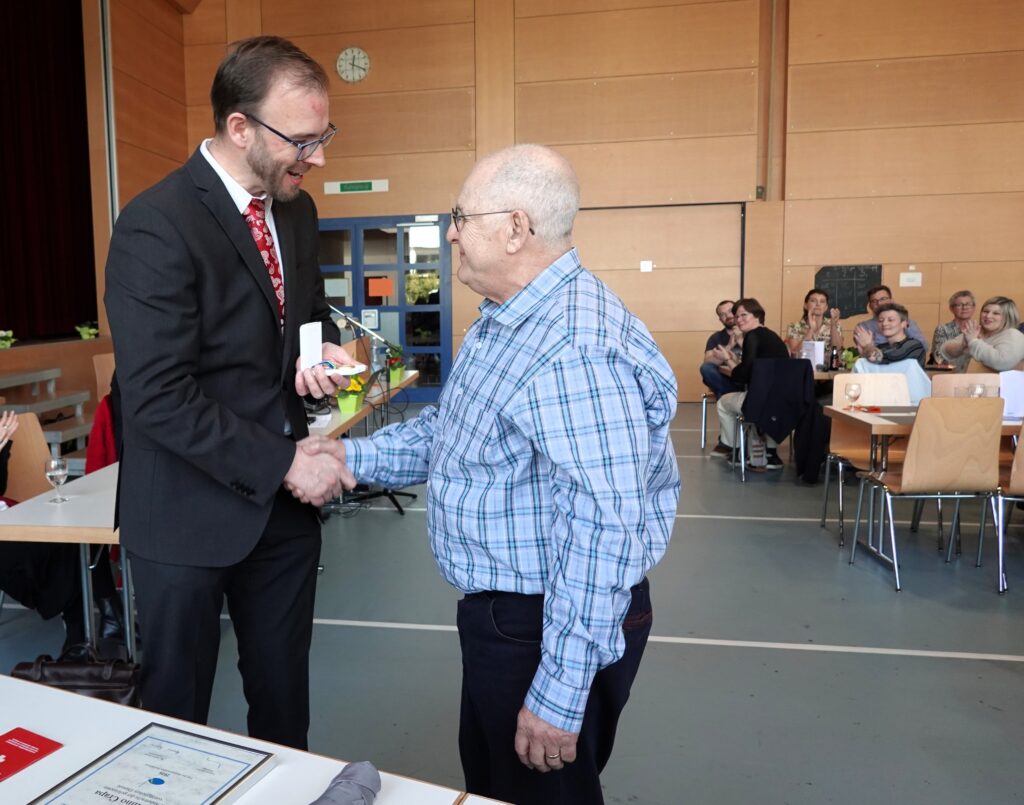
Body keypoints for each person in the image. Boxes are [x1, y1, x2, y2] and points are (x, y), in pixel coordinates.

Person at [340, 145, 679, 805]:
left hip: (544, 622)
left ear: (517, 228)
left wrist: (558, 688)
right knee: (496, 782)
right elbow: (453, 433)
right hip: (508, 619)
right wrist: (349, 459)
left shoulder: (573, 345)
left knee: (538, 793)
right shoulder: (507, 320)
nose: (452, 232)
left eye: (462, 215)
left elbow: (602, 529)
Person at [104, 36, 357, 749]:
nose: (319, 157)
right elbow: (155, 396)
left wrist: (319, 351)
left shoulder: (298, 212)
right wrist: (285, 462)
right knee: (177, 722)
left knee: (284, 709)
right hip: (186, 518)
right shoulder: (156, 224)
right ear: (239, 128)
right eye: (302, 140)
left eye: (325, 135)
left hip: (280, 519)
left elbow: (304, 312)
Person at [714, 298, 791, 470]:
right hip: (782, 401)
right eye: (737, 316)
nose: (739, 319)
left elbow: (743, 376)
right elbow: (754, 369)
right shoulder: (773, 337)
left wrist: (727, 359)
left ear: (757, 315)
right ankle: (771, 453)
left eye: (744, 315)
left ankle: (735, 450)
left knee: (723, 403)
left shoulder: (753, 336)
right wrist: (736, 363)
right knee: (769, 403)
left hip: (759, 401)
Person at [936, 295, 1024, 372]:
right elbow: (944, 351)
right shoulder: (977, 331)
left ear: (1008, 317)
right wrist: (962, 346)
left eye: (996, 313)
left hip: (998, 389)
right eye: (985, 311)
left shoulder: (1014, 335)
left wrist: (974, 342)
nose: (988, 316)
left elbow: (1003, 363)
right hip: (964, 384)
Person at [856, 285, 929, 353]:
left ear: (891, 301)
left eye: (883, 299)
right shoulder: (864, 326)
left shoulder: (906, 322)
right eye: (874, 301)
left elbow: (923, 347)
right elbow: (864, 352)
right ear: (870, 306)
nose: (879, 303)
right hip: (876, 364)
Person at [853, 302, 926, 366]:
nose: (884, 323)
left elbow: (877, 358)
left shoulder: (914, 345)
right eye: (881, 320)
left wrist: (868, 346)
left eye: (890, 320)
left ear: (904, 324)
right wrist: (863, 354)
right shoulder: (880, 347)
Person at [700, 299, 742, 398]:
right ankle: (732, 396)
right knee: (706, 369)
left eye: (731, 311)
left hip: (747, 379)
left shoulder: (751, 333)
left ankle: (727, 399)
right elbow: (707, 362)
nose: (728, 316)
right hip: (727, 380)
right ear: (720, 319)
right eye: (723, 314)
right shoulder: (716, 337)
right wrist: (729, 346)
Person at [785, 288, 842, 357]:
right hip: (804, 366)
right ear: (806, 305)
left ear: (826, 307)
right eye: (813, 301)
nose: (818, 304)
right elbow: (794, 354)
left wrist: (833, 326)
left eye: (822, 301)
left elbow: (838, 350)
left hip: (828, 366)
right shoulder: (794, 327)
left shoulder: (835, 325)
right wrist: (810, 330)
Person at [931, 290, 976, 370]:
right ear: (951, 308)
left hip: (974, 373)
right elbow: (939, 356)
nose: (964, 307)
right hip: (951, 373)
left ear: (974, 307)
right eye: (959, 305)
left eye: (968, 304)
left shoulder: (978, 330)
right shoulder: (943, 329)